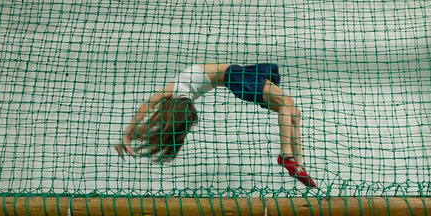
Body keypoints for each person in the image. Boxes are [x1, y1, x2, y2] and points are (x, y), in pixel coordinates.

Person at [115, 62, 315, 188]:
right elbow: (146, 106)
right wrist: (128, 133)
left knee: (293, 112)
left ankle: (298, 164)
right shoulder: (174, 89)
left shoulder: (174, 92)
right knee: (286, 104)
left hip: (235, 76)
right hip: (234, 75)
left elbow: (146, 106)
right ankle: (286, 154)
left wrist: (129, 133)